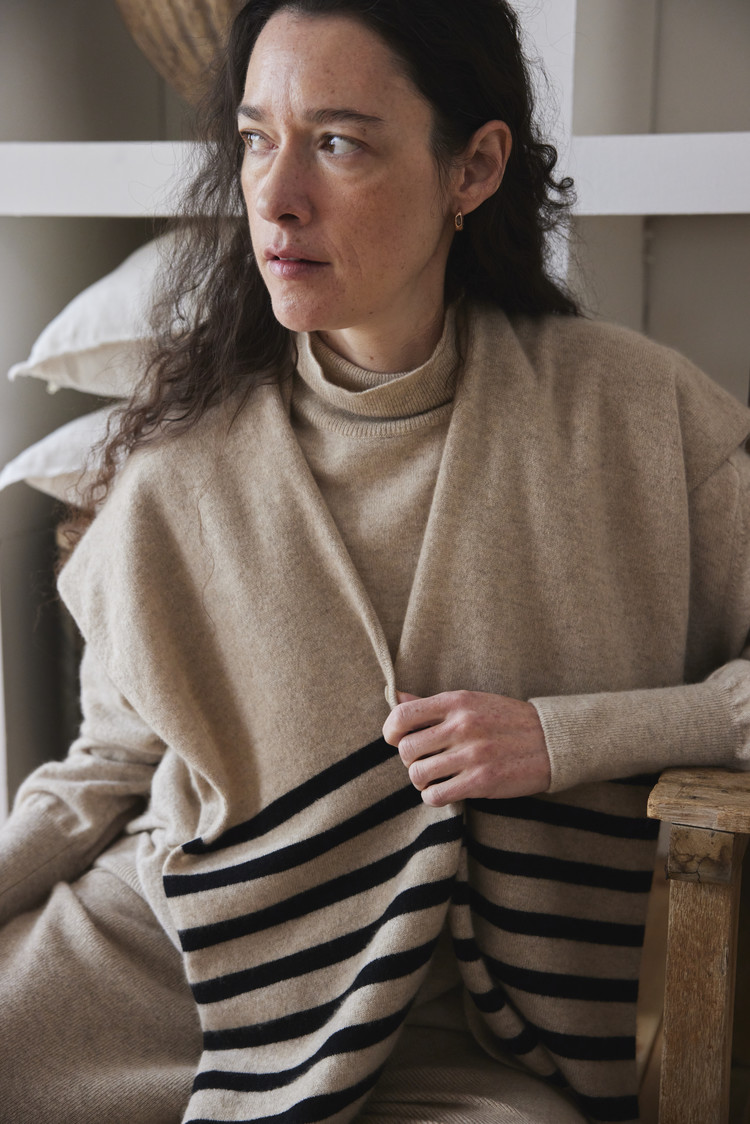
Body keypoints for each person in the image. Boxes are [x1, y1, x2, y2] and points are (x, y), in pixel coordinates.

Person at [1, 1, 749, 1122]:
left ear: (472, 168)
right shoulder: (178, 465)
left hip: (466, 1037)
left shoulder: (641, 418)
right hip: (169, 962)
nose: (276, 195)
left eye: (339, 142)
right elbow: (106, 770)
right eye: (256, 139)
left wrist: (568, 737)